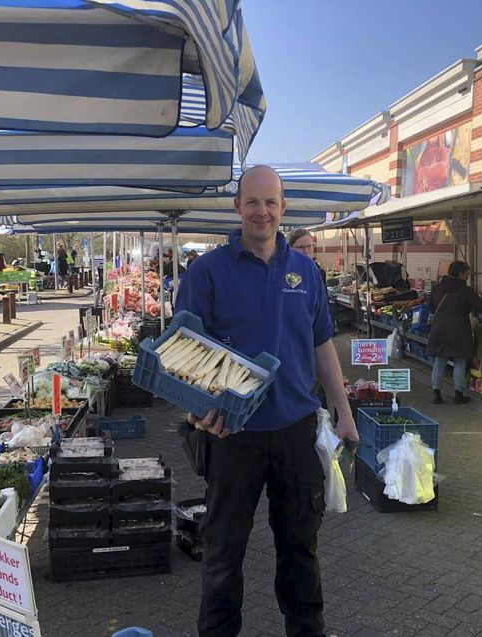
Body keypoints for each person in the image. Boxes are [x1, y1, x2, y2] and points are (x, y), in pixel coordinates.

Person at [177, 165, 359, 637]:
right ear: (238, 207)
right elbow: (184, 350)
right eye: (252, 202)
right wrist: (196, 408)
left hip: (296, 432)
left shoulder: (305, 272)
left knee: (300, 550)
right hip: (231, 433)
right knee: (223, 553)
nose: (262, 211)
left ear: (283, 208)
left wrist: (342, 410)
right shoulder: (206, 272)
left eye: (271, 202)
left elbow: (321, 344)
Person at [426, 261, 482, 404]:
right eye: (466, 273)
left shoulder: (437, 288)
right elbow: (481, 307)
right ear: (460, 273)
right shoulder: (465, 291)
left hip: (439, 329)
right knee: (459, 361)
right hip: (459, 330)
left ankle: (436, 393)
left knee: (439, 361)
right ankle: (458, 394)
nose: (467, 276)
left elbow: (430, 307)